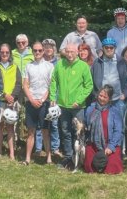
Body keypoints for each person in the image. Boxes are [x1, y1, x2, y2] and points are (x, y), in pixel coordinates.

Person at [50, 43, 93, 171]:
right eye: (67, 51)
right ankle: (68, 158)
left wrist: (79, 100)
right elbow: (53, 81)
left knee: (79, 134)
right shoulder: (59, 65)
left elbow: (89, 86)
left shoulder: (83, 66)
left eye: (72, 52)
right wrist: (52, 97)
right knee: (65, 132)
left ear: (77, 52)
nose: (69, 54)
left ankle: (80, 160)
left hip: (78, 107)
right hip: (63, 106)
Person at [23, 41, 54, 165]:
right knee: (31, 131)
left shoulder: (49, 66)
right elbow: (25, 85)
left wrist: (42, 100)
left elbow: (51, 85)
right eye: (35, 50)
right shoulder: (28, 66)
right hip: (31, 102)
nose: (37, 52)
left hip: (44, 102)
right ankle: (27, 158)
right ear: (32, 52)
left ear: (43, 51)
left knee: (46, 131)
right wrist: (31, 99)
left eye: (40, 50)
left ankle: (49, 158)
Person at [83, 85, 124, 174]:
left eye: (105, 97)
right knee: (89, 167)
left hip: (109, 144)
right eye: (100, 95)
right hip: (94, 143)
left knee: (112, 168)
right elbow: (86, 127)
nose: (101, 98)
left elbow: (118, 131)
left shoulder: (114, 111)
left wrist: (111, 146)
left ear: (109, 99)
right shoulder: (90, 109)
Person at [0, 44, 22, 160]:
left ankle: (11, 153)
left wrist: (13, 96)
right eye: (2, 52)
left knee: (11, 127)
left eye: (7, 52)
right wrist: (4, 95)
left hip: (12, 101)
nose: (4, 54)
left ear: (10, 53)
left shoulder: (15, 67)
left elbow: (19, 83)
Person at [91, 38, 127, 115]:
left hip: (117, 99)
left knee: (118, 122)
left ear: (115, 48)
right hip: (101, 100)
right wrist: (96, 95)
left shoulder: (121, 61)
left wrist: (125, 94)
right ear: (103, 48)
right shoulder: (97, 62)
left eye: (111, 47)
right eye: (106, 47)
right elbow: (91, 80)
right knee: (102, 122)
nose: (109, 49)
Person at [36, 38, 61, 157]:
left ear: (54, 48)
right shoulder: (38, 62)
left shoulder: (59, 62)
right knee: (39, 123)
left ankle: (55, 148)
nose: (48, 49)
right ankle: (38, 148)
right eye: (45, 47)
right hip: (40, 96)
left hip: (54, 96)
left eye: (50, 47)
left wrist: (55, 97)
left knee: (54, 123)